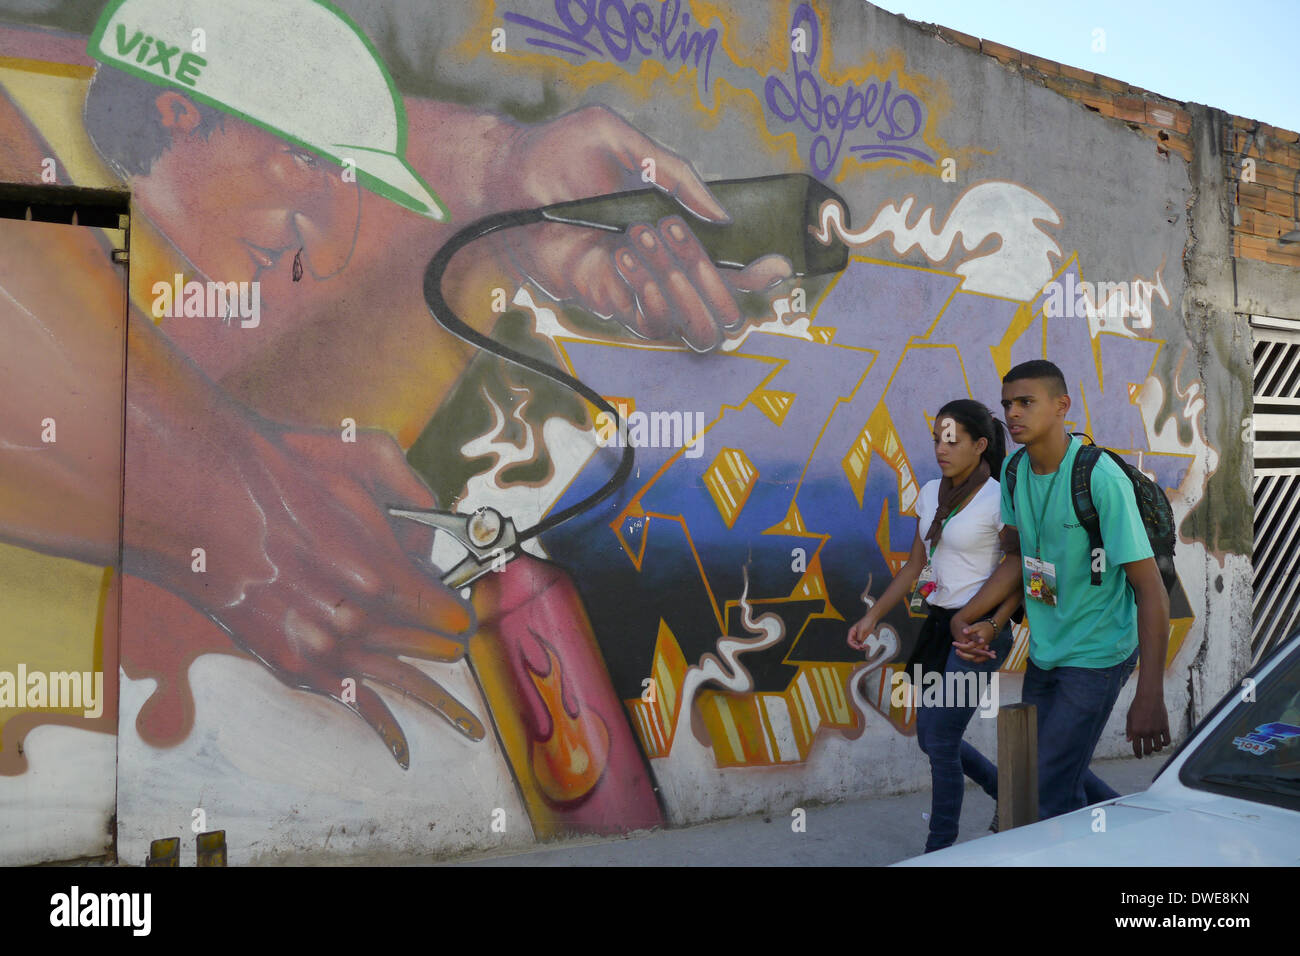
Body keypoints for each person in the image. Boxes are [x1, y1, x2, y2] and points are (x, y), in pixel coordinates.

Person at [952, 359, 1171, 821]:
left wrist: (1149, 692)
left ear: (1061, 406)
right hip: (1046, 650)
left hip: (1097, 653)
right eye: (1008, 403)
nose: (1012, 413)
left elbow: (1150, 591)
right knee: (1046, 772)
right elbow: (1022, 561)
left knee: (1035, 793)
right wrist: (972, 617)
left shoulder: (1099, 478)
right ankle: (1136, 829)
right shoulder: (1013, 471)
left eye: (1026, 402)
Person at [848, 399, 1020, 851]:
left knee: (941, 739)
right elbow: (914, 566)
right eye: (936, 439)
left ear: (980, 445)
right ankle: (1008, 792)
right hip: (938, 627)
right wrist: (872, 616)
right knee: (929, 736)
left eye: (952, 440)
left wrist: (995, 623)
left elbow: (1019, 566)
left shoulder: (998, 497)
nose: (941, 449)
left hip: (977, 635)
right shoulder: (929, 494)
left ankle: (938, 850)